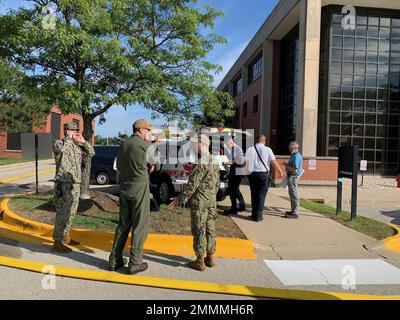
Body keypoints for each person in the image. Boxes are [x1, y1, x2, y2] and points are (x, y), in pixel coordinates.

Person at [109, 119, 155, 274]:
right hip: (139, 186)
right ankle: (135, 263)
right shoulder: (146, 146)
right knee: (140, 225)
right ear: (142, 130)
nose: (149, 133)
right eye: (148, 130)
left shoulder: (123, 144)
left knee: (123, 224)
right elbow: (157, 164)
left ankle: (115, 260)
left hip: (124, 186)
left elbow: (119, 165)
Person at [169, 134, 220, 272]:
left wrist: (179, 199)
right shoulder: (214, 160)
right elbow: (216, 184)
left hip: (200, 203)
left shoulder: (202, 162)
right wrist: (211, 196)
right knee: (210, 229)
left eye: (194, 144)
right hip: (211, 202)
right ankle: (210, 257)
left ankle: (200, 260)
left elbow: (192, 184)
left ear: (201, 144)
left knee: (199, 230)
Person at [52, 122, 95, 253]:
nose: (76, 132)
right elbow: (62, 150)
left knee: (71, 211)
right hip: (63, 183)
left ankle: (65, 236)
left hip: (75, 183)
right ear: (66, 131)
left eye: (77, 130)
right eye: (73, 130)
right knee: (63, 212)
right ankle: (57, 242)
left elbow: (91, 152)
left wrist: (82, 142)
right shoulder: (59, 143)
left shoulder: (77, 146)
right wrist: (69, 138)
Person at [245, 134, 283, 222]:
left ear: (257, 140)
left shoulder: (250, 149)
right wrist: (280, 171)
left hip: (252, 174)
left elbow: (246, 163)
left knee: (254, 194)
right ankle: (258, 215)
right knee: (261, 195)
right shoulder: (267, 149)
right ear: (263, 140)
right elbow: (273, 162)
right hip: (263, 175)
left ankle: (254, 214)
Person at [224, 138, 246, 215]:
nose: (227, 146)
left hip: (237, 173)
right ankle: (241, 206)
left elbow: (236, 161)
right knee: (235, 190)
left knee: (233, 190)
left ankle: (234, 208)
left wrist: (225, 162)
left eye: (227, 144)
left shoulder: (237, 149)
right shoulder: (235, 149)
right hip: (236, 172)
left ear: (231, 142)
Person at [284, 141, 304, 219]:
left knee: (294, 195)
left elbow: (295, 169)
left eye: (290, 147)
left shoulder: (296, 156)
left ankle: (295, 213)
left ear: (295, 147)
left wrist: (286, 165)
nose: (289, 148)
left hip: (293, 177)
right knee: (291, 194)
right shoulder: (293, 155)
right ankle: (293, 211)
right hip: (291, 177)